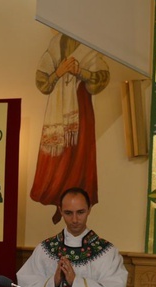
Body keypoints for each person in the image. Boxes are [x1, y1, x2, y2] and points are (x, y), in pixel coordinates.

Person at [30, 33, 110, 224]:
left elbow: (102, 78)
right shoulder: (56, 43)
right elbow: (42, 82)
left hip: (80, 108)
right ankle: (58, 200)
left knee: (79, 154)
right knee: (57, 157)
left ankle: (77, 202)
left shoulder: (90, 44)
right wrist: (59, 72)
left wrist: (81, 72)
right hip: (57, 113)